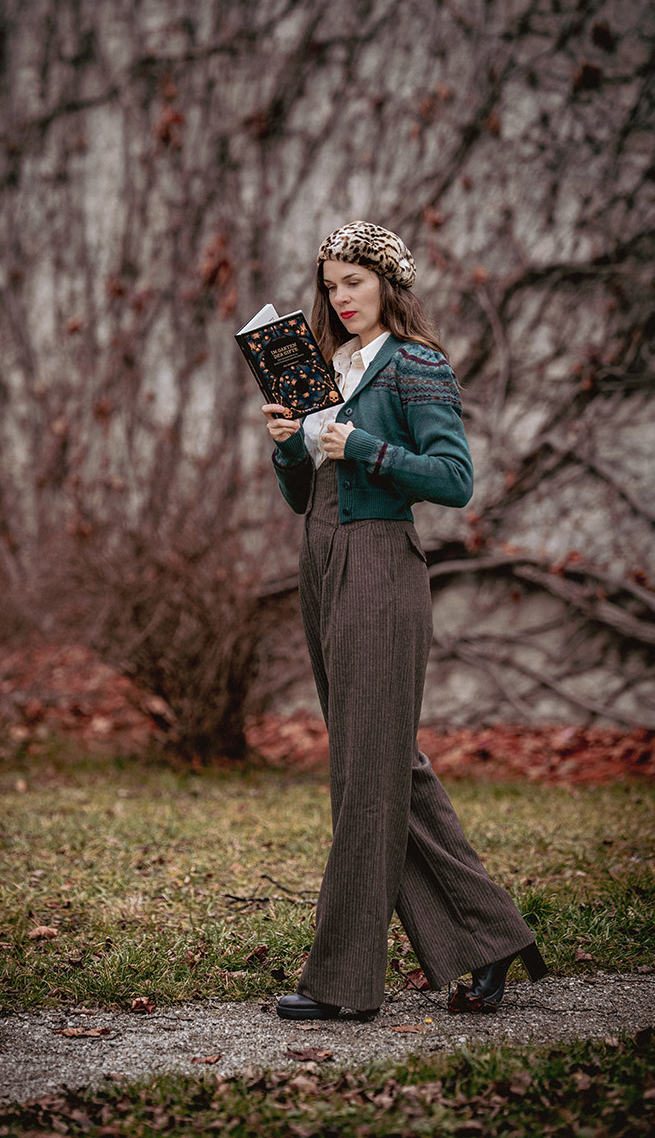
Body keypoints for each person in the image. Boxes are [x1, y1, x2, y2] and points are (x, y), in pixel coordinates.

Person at [262, 220, 547, 1022]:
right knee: (382, 763)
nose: (338, 296)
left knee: (366, 776)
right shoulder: (328, 372)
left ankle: (344, 983)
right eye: (329, 283)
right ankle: (490, 937)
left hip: (382, 567)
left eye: (352, 280)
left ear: (387, 281)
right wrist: (291, 443)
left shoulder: (415, 364)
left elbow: (453, 479)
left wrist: (364, 448)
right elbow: (300, 491)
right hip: (321, 563)